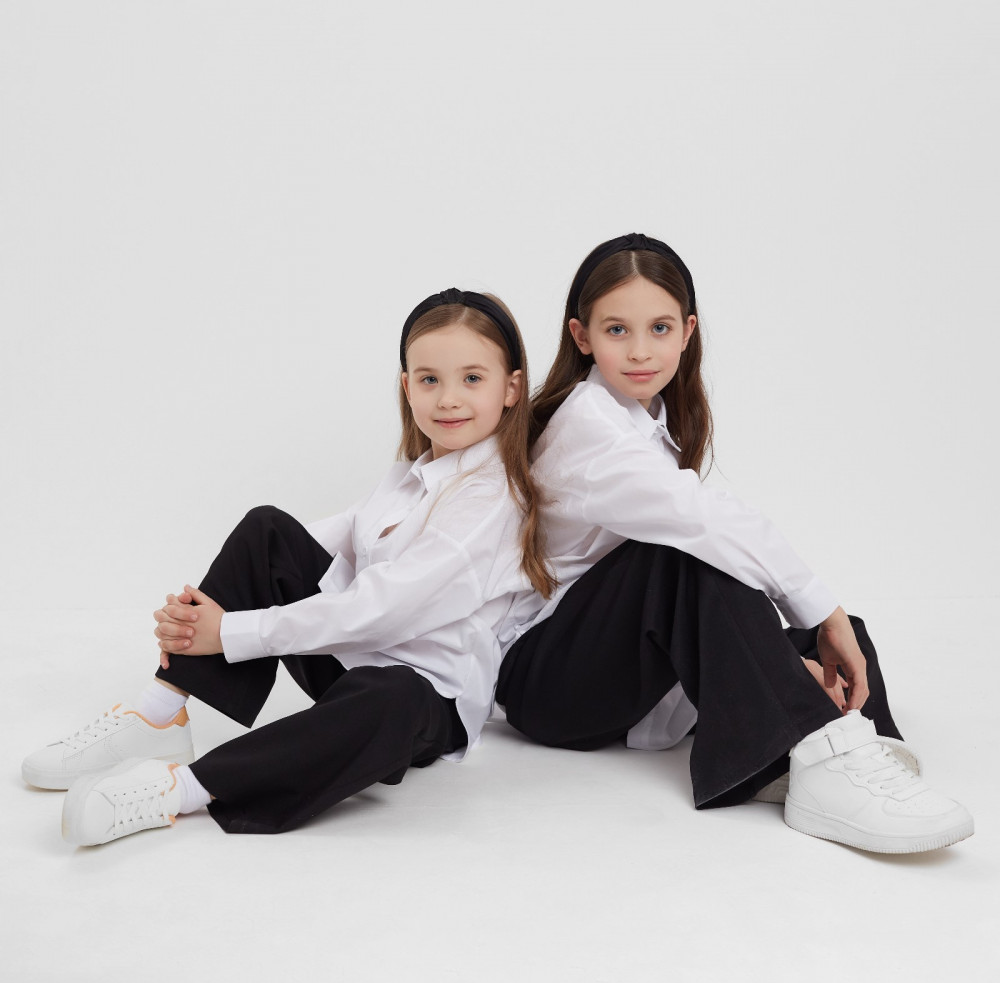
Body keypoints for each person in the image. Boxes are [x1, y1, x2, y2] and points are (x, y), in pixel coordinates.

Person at [496, 233, 973, 854]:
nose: (640, 350)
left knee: (840, 641)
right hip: (548, 682)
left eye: (660, 328)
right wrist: (820, 608)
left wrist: (820, 634)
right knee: (684, 557)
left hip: (613, 663)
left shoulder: (645, 419)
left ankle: (843, 750)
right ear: (581, 336)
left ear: (687, 331)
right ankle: (822, 754)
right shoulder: (590, 426)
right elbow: (704, 522)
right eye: (617, 330)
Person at [24, 287, 552, 845]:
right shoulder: (414, 473)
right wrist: (198, 616)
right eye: (429, 380)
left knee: (390, 696)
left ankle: (180, 790)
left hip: (424, 701)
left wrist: (231, 630)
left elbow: (384, 610)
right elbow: (323, 540)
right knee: (267, 530)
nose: (448, 399)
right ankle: (158, 715)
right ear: (406, 386)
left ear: (511, 388)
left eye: (472, 378)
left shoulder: (491, 498)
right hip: (357, 660)